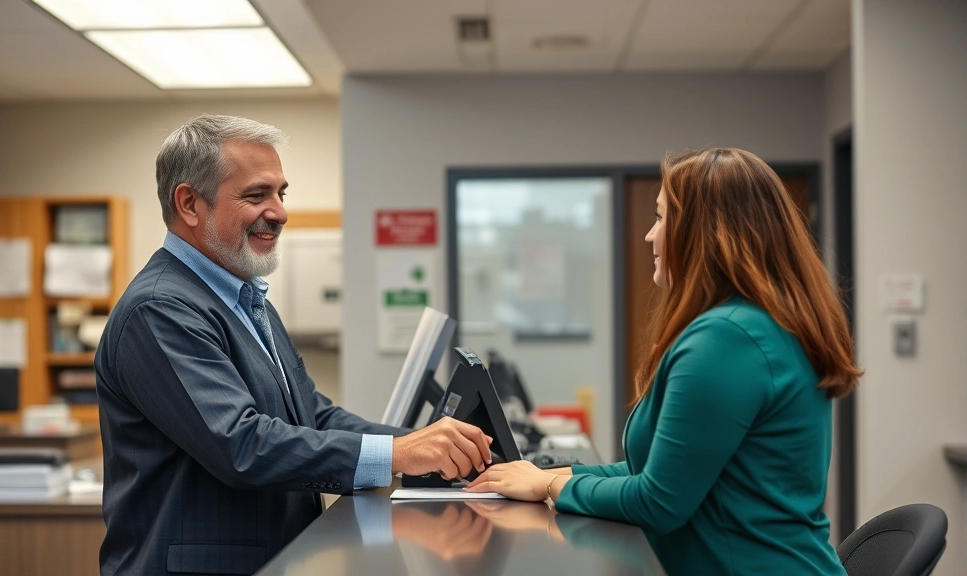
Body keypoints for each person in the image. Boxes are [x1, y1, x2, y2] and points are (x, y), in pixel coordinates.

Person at [95, 114, 492, 576]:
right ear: (189, 203)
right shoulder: (161, 309)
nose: (279, 212)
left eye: (281, 193)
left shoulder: (245, 297)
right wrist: (400, 455)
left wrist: (424, 445)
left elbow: (313, 415)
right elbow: (240, 445)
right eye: (256, 195)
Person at [466, 148, 861, 575]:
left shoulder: (729, 339)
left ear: (705, 231)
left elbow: (658, 502)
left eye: (660, 218)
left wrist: (549, 484)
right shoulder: (750, 325)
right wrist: (555, 475)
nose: (649, 236)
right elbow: (654, 469)